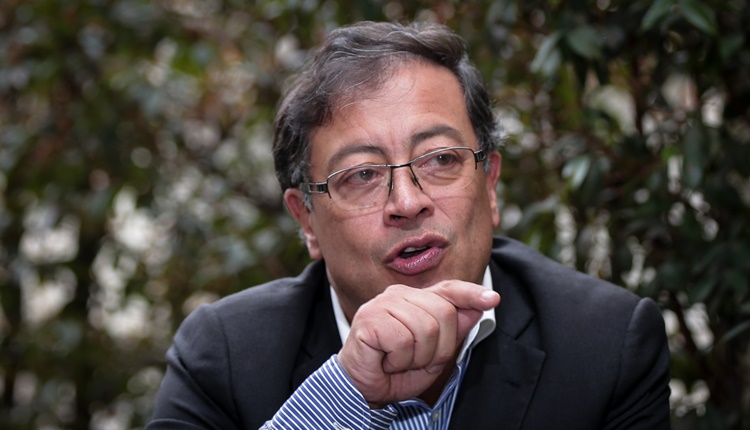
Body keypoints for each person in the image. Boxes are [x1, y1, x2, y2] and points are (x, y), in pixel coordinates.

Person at [147, 21, 671, 429]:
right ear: (306, 221)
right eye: (362, 175)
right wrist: (344, 396)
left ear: (489, 184)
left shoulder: (606, 343)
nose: (408, 202)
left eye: (441, 159)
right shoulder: (225, 354)